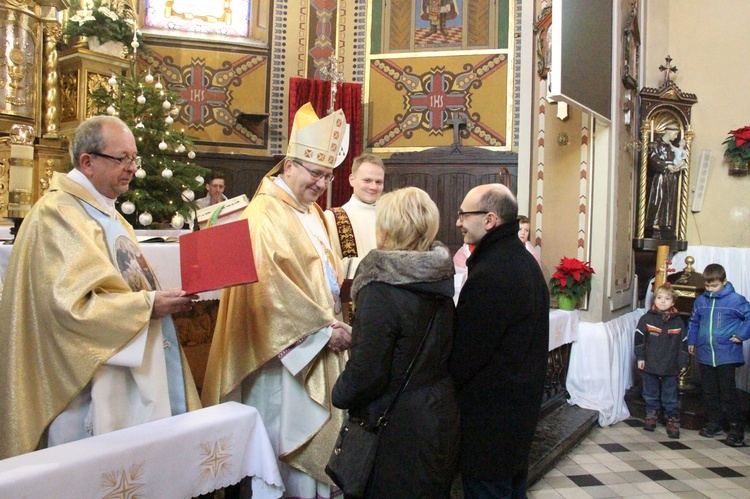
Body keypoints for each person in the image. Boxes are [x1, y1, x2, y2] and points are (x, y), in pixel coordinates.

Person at [0, 116, 200, 460]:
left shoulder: (107, 213)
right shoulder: (57, 214)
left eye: (134, 159)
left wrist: (157, 299)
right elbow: (67, 311)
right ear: (87, 162)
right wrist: (148, 305)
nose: (132, 168)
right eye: (121, 158)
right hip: (83, 390)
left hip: (122, 371)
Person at [201, 103, 351, 498]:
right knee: (284, 456)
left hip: (319, 346)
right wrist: (321, 332)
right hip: (280, 361)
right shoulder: (264, 215)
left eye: (328, 175)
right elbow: (269, 292)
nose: (321, 183)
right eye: (315, 173)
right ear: (288, 166)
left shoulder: (314, 213)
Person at [331, 187, 459, 498]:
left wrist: (340, 392)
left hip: (396, 426)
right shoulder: (438, 280)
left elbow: (369, 373)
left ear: (388, 228)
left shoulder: (381, 288)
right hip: (436, 414)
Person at [450, 184, 549, 498]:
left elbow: (468, 351)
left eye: (464, 214)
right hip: (514, 412)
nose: (458, 222)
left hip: (490, 419)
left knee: (488, 488)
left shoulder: (494, 270)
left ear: (490, 220)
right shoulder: (519, 260)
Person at [687, 263, 750, 447]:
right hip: (706, 353)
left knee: (728, 392)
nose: (710, 289)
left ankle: (736, 428)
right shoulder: (701, 302)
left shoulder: (736, 301)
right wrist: (691, 341)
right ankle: (714, 422)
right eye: (707, 286)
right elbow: (694, 322)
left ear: (724, 282)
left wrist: (741, 335)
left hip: (727, 353)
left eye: (714, 286)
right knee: (709, 391)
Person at [634, 284, 688, 439]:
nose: (662, 301)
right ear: (654, 299)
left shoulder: (678, 322)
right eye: (659, 298)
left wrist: (683, 362)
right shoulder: (646, 319)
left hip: (670, 365)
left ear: (673, 303)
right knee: (650, 391)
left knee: (670, 394)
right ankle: (651, 414)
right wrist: (640, 357)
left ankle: (672, 418)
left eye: (667, 299)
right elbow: (639, 340)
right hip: (650, 362)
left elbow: (682, 344)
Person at [324, 154, 386, 279]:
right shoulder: (333, 218)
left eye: (378, 182)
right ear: (352, 180)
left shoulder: (392, 216)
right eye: (367, 180)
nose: (373, 187)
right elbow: (328, 265)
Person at [646, 124, 686, 239]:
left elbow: (678, 158)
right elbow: (653, 159)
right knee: (659, 199)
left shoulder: (672, 147)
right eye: (675, 133)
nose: (676, 136)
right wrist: (666, 166)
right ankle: (655, 224)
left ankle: (667, 224)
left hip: (671, 178)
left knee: (670, 200)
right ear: (668, 132)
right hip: (661, 177)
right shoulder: (657, 145)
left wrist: (678, 166)